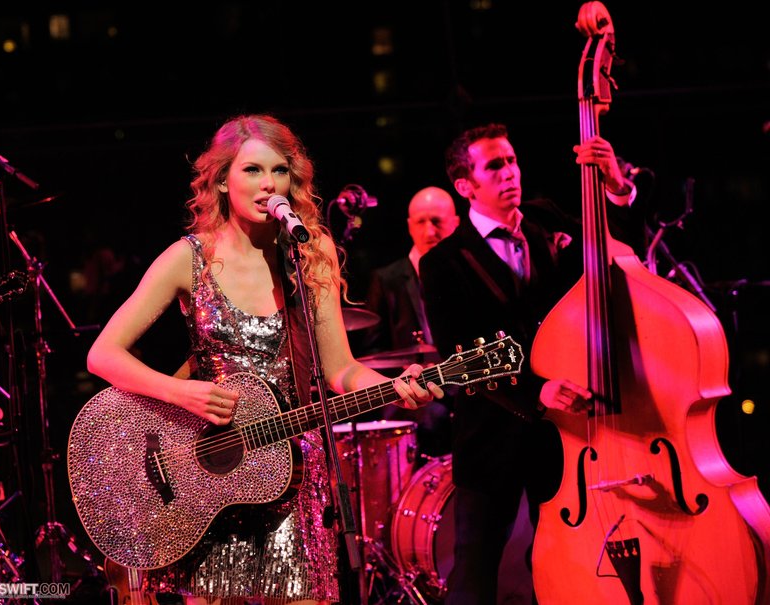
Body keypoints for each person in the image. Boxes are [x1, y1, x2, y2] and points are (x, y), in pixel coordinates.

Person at [85, 113, 443, 605]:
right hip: (210, 483)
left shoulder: (309, 253)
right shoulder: (189, 258)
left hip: (292, 478)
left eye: (279, 171)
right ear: (222, 180)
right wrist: (181, 391)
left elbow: (342, 368)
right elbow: (102, 354)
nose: (267, 184)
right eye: (252, 170)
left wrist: (395, 387)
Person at [419, 122, 635, 605]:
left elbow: (619, 258)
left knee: (563, 568)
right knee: (474, 577)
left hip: (565, 434)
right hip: (490, 436)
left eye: (511, 160)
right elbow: (458, 356)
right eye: (494, 166)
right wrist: (533, 390)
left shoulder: (545, 219)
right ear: (465, 185)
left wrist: (616, 188)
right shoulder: (443, 263)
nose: (509, 172)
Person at [362, 186, 459, 459]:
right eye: (421, 222)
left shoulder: (468, 274)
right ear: (409, 226)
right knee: (431, 419)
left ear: (456, 223)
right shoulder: (386, 279)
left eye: (437, 221)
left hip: (461, 388)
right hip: (410, 396)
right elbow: (373, 353)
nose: (430, 231)